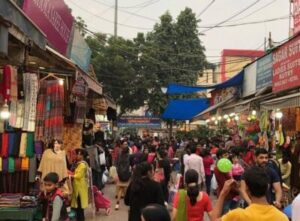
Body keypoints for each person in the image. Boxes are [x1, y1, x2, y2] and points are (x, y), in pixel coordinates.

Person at [211, 166, 289, 221]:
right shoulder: (282, 217)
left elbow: (214, 219)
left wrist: (223, 194)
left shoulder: (238, 215)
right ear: (268, 187)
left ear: (247, 189)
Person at [214, 149, 238, 214]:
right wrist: (237, 190)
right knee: (224, 215)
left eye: (227, 155)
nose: (227, 156)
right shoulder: (218, 168)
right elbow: (225, 183)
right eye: (225, 155)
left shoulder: (225, 166)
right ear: (220, 157)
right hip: (225, 195)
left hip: (231, 194)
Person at [70, 148, 89, 221]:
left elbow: (78, 175)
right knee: (78, 205)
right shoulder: (77, 163)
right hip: (77, 186)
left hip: (80, 187)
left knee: (80, 205)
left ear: (82, 156)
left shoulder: (82, 165)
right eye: (77, 154)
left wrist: (70, 175)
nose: (77, 155)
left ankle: (81, 219)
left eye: (79, 154)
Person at [115, 140, 131, 210]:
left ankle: (117, 204)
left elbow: (117, 164)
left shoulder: (119, 155)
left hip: (120, 174)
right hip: (127, 174)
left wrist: (118, 172)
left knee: (120, 189)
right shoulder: (129, 157)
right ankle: (130, 205)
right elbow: (131, 165)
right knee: (128, 189)